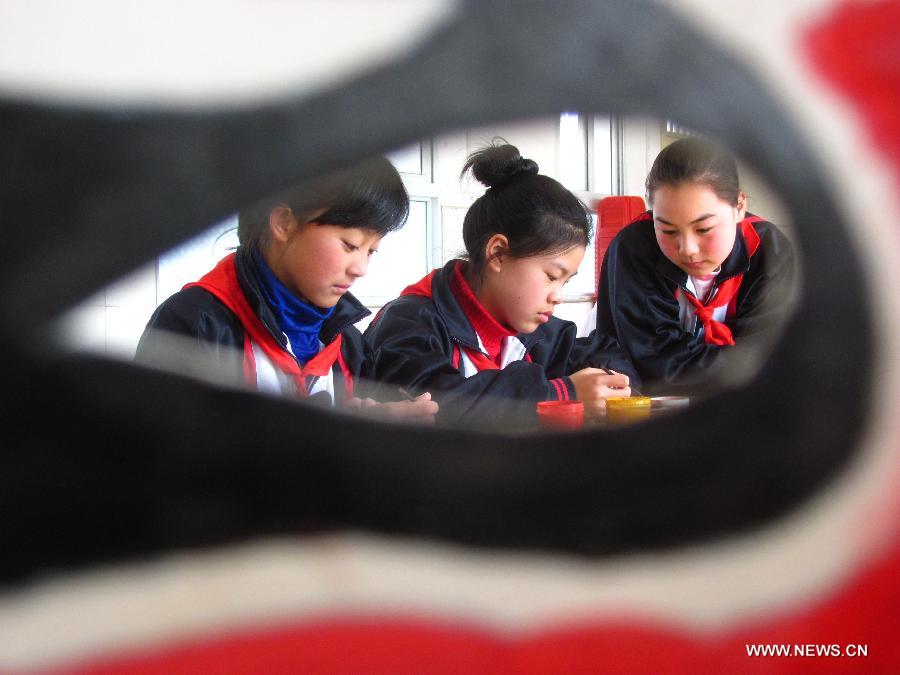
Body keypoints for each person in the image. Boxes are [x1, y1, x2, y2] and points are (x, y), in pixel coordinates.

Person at [135, 157, 438, 422]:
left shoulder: (348, 344)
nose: (360, 268)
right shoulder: (194, 325)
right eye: (351, 245)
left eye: (371, 251)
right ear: (283, 223)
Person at [363, 142, 636, 428]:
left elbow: (600, 352)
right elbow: (437, 406)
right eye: (552, 277)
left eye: (566, 282)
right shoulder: (410, 324)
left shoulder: (536, 332)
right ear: (498, 254)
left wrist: (611, 381)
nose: (558, 297)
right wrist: (561, 393)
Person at [593, 137, 796, 395]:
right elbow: (656, 367)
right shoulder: (633, 251)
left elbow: (768, 357)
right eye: (667, 229)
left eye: (703, 229)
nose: (687, 248)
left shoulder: (769, 252)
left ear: (739, 206)